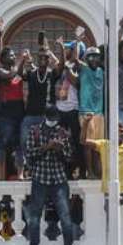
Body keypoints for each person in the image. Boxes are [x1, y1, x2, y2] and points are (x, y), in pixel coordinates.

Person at [24, 105, 75, 245]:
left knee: (65, 216)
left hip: (58, 177)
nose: (53, 121)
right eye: (51, 118)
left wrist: (60, 150)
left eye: (55, 119)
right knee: (34, 217)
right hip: (40, 177)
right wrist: (47, 147)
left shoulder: (63, 133)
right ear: (46, 117)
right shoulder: (35, 131)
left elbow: (69, 157)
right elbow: (29, 153)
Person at [21, 42, 63, 170]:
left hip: (47, 116)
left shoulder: (52, 74)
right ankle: (30, 166)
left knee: (46, 143)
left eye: (46, 57)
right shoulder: (32, 73)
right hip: (30, 115)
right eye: (41, 57)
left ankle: (42, 167)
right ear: (37, 59)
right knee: (24, 140)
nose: (43, 59)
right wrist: (23, 60)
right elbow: (19, 74)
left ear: (49, 59)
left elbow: (61, 66)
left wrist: (61, 48)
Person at [0, 46, 25, 179]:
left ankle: (20, 173)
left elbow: (20, 74)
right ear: (3, 59)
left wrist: (23, 61)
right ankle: (0, 173)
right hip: (5, 113)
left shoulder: (16, 71)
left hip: (19, 110)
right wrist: (20, 60)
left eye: (14, 55)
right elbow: (9, 75)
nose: (13, 57)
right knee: (2, 142)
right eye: (10, 55)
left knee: (19, 143)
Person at [55, 39, 83, 177]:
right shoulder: (63, 65)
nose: (66, 51)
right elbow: (58, 66)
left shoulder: (78, 67)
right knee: (60, 141)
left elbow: (75, 81)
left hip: (73, 109)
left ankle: (80, 170)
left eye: (69, 49)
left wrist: (68, 67)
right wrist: (59, 49)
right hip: (60, 109)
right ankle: (63, 169)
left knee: (77, 142)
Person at [78, 46, 105, 178]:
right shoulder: (83, 69)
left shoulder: (102, 71)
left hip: (99, 113)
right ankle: (90, 171)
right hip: (86, 112)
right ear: (86, 58)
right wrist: (78, 41)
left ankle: (98, 170)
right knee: (87, 144)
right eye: (91, 56)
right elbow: (74, 60)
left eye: (97, 56)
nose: (94, 59)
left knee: (98, 146)